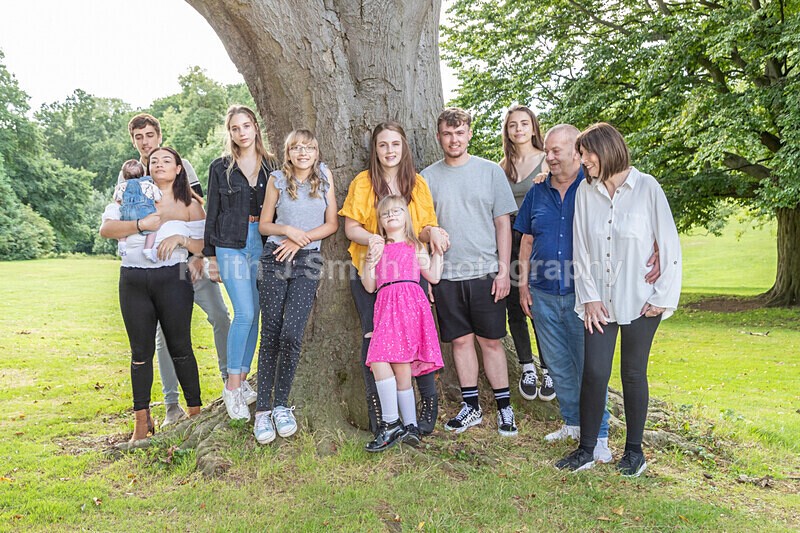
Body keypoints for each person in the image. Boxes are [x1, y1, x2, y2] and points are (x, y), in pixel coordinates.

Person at [556, 123, 681, 477]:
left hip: (642, 299)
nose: (583, 161)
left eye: (586, 154)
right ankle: (586, 449)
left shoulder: (647, 188)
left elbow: (669, 245)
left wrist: (662, 296)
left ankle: (634, 453)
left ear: (606, 150)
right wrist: (589, 298)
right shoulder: (585, 191)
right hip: (600, 302)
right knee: (595, 373)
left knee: (633, 373)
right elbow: (580, 248)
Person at [120, 113, 231, 428]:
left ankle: (229, 383)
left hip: (189, 263)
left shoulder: (179, 166)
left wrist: (198, 256)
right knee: (163, 337)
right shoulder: (131, 173)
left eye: (149, 135)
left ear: (159, 136)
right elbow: (125, 218)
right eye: (139, 137)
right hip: (153, 271)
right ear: (134, 141)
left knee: (220, 315)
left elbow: (196, 206)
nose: (145, 142)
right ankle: (171, 405)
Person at [339, 122, 448, 437]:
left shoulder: (417, 183)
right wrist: (374, 240)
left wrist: (434, 234)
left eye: (395, 144)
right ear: (375, 149)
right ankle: (381, 415)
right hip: (373, 270)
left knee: (416, 338)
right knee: (374, 340)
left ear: (404, 147)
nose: (389, 150)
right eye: (383, 145)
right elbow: (351, 228)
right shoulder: (364, 182)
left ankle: (425, 405)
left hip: (409, 273)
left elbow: (424, 227)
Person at [422, 107, 519, 437]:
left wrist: (504, 271)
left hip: (485, 273)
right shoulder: (426, 178)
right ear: (439, 137)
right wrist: (429, 276)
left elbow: (503, 224)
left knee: (491, 342)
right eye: (448, 134)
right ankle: (471, 407)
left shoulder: (490, 172)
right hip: (447, 276)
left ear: (469, 134)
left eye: (460, 133)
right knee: (460, 343)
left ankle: (505, 408)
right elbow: (423, 230)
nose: (454, 139)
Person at [100, 147, 205, 441]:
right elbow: (107, 228)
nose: (159, 164)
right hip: (133, 280)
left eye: (166, 160)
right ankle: (141, 424)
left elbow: (203, 244)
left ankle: (195, 416)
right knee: (140, 353)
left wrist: (182, 238)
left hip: (173, 280)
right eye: (154, 161)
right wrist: (139, 225)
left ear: (179, 169)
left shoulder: (190, 204)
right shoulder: (129, 194)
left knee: (181, 348)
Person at [253, 130, 338, 444]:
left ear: (317, 152)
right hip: (275, 257)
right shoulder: (277, 179)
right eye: (297, 148)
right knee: (271, 332)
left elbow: (332, 224)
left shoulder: (324, 177)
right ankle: (262, 411)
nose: (303, 153)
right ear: (288, 153)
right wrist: (287, 230)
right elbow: (264, 224)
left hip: (308, 261)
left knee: (291, 333)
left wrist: (301, 239)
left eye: (309, 148)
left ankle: (280, 406)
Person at [205, 105, 279, 421]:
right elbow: (212, 211)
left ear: (255, 127)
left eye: (246, 125)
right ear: (230, 133)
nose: (241, 132)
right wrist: (210, 257)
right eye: (235, 128)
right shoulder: (220, 167)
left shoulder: (273, 165)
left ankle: (244, 378)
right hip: (230, 244)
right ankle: (232, 386)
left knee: (256, 314)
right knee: (244, 312)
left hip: (262, 242)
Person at [362, 195, 444, 451]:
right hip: (386, 305)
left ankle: (401, 425)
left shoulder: (414, 245)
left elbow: (433, 275)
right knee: (383, 360)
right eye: (385, 213)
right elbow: (369, 285)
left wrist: (438, 251)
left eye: (396, 211)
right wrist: (369, 259)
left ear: (406, 216)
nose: (391, 216)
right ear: (380, 221)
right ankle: (403, 424)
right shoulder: (378, 247)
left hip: (410, 305)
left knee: (400, 365)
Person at [498, 104, 555, 402]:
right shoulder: (502, 167)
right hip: (510, 237)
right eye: (512, 125)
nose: (518, 129)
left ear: (533, 128)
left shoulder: (547, 160)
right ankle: (526, 366)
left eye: (523, 123)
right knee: (514, 307)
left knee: (537, 305)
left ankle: (548, 368)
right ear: (507, 131)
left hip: (537, 238)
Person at [114, 159, 161, 259]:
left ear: (124, 176)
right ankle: (147, 249)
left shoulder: (121, 186)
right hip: (144, 214)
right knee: (153, 230)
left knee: (122, 227)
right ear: (143, 173)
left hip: (127, 213)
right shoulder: (148, 185)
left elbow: (116, 199)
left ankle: (122, 243)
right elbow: (158, 198)